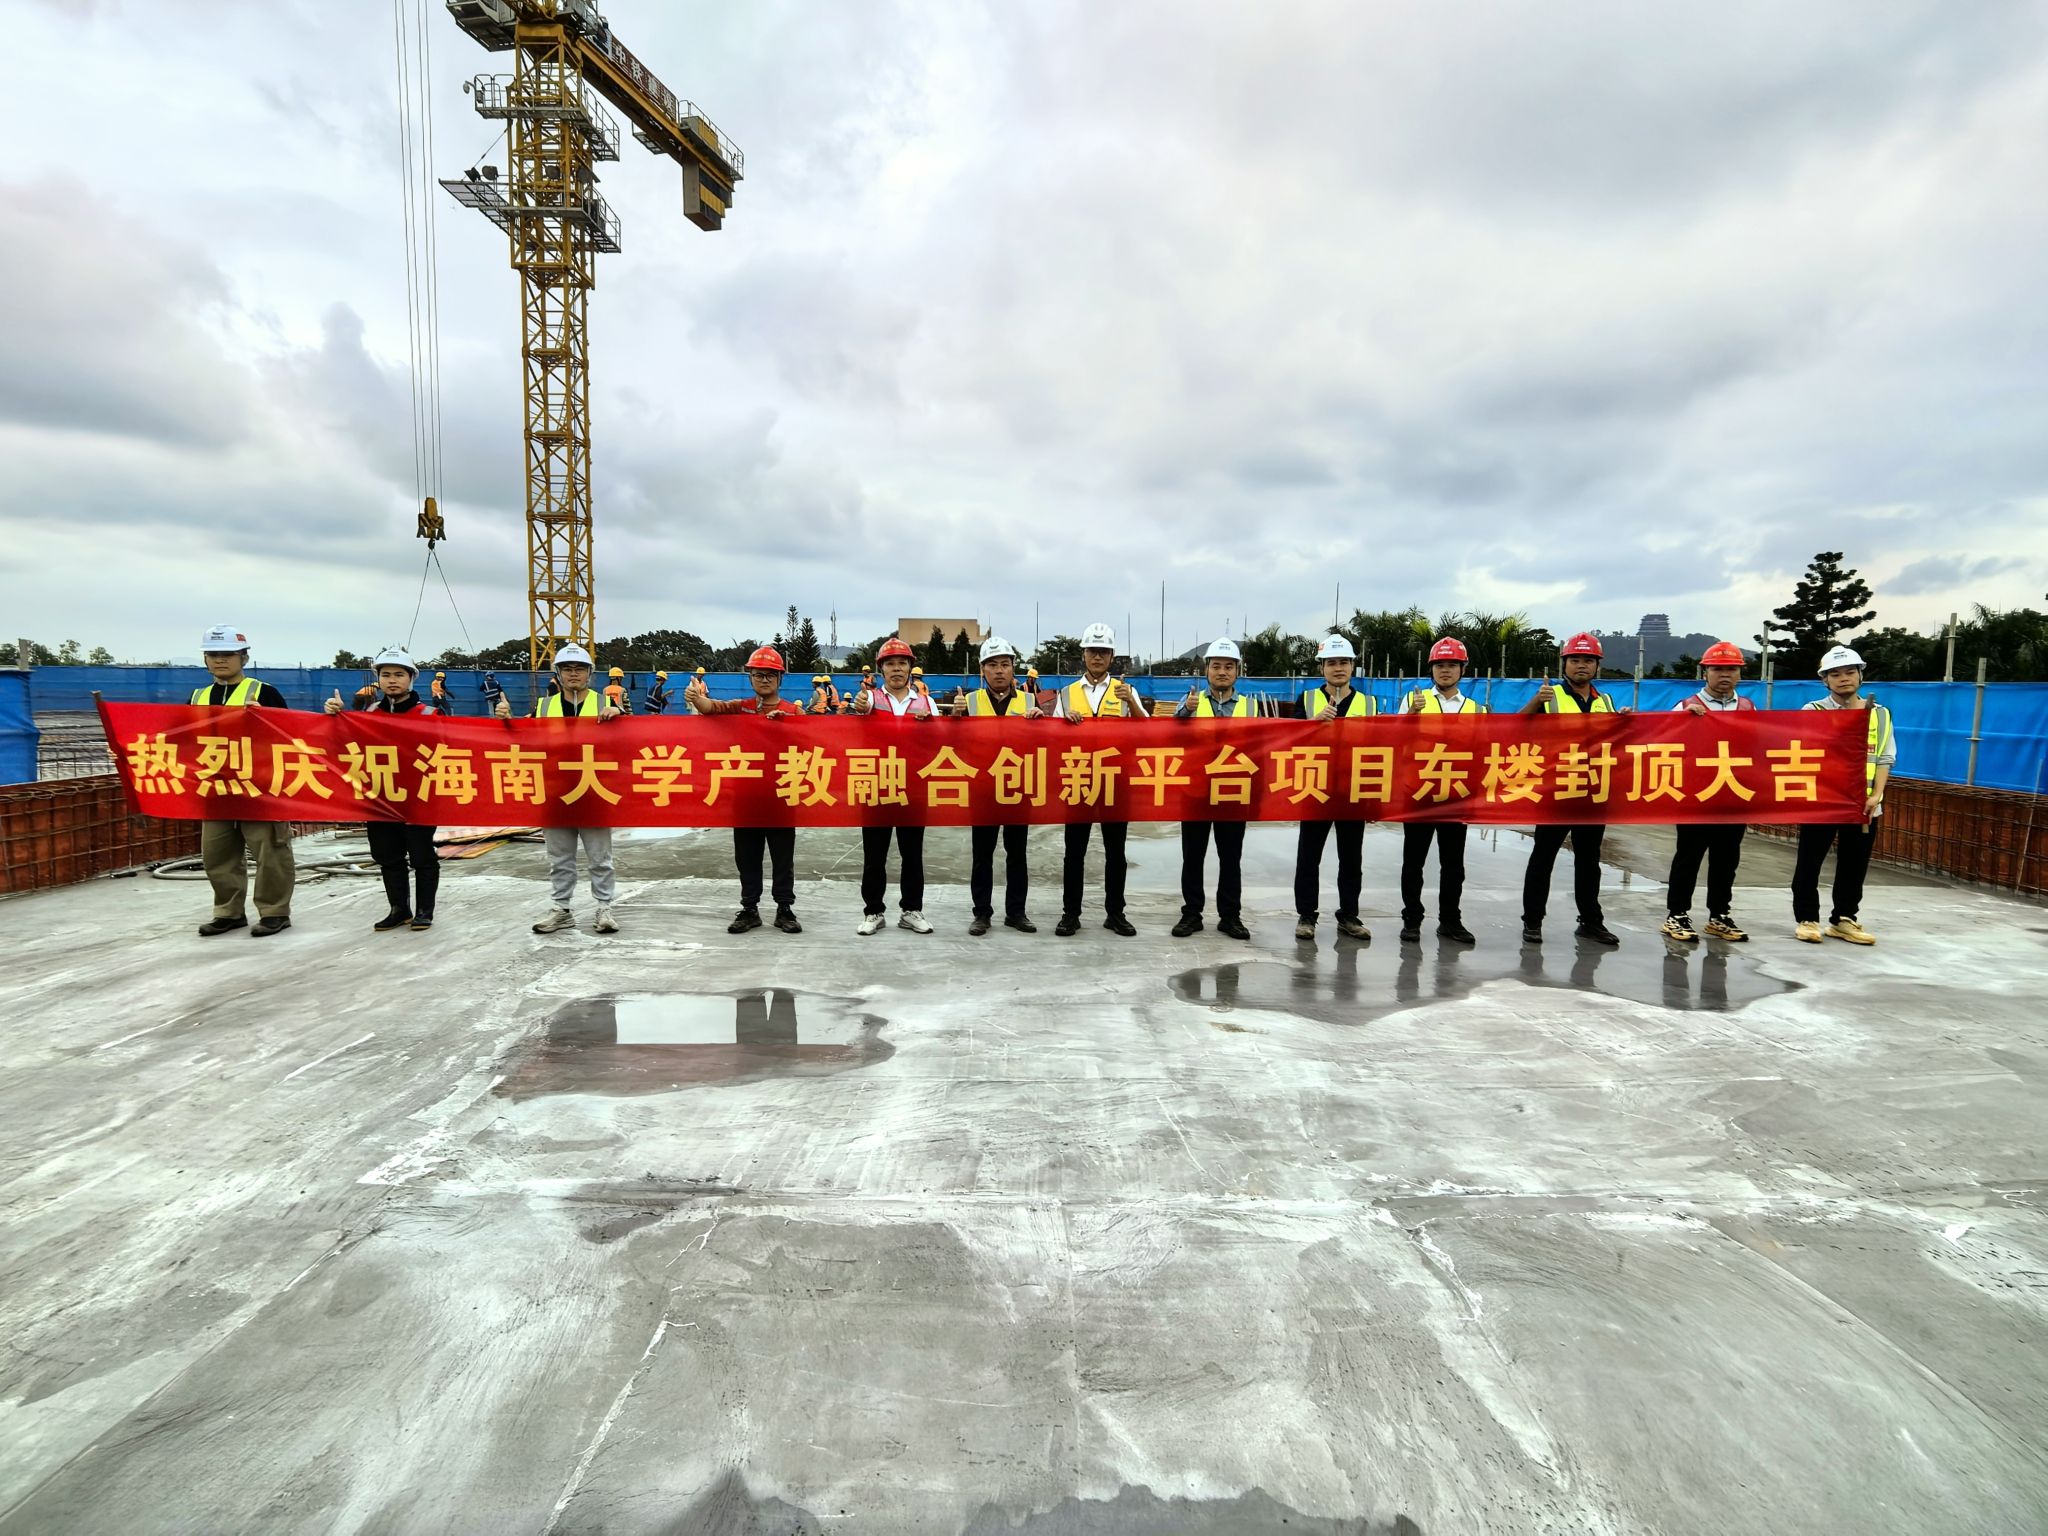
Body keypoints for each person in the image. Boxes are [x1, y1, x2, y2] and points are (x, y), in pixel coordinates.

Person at [496, 643, 623, 935]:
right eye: (567, 669)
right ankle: (561, 909)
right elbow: (523, 740)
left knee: (600, 859)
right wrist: (506, 720)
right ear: (558, 674)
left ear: (590, 674)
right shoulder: (543, 707)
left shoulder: (606, 703)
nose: (573, 674)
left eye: (579, 669)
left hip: (593, 791)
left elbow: (629, 740)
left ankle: (604, 908)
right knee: (560, 859)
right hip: (555, 793)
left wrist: (619, 715)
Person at [687, 645, 809, 935]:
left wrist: (788, 726)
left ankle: (784, 908)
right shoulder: (740, 707)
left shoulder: (793, 711)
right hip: (745, 797)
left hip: (780, 796)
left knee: (783, 858)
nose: (764, 679)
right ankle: (749, 908)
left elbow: (811, 743)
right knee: (747, 857)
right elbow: (710, 708)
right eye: (758, 674)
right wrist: (696, 698)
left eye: (770, 675)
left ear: (780, 678)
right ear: (750, 677)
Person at [327, 648, 443, 931]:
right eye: (386, 674)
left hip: (418, 799)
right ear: (378, 679)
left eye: (399, 674)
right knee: (388, 857)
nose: (392, 680)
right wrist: (335, 717)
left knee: (422, 856)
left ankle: (424, 911)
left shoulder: (430, 714)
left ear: (411, 678)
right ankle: (399, 910)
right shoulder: (368, 714)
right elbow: (345, 745)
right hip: (380, 798)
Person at [191, 624, 296, 938]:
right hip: (216, 788)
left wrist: (267, 718)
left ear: (244, 657)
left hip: (259, 787)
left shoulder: (264, 692)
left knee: (270, 852)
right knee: (217, 854)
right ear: (205, 659)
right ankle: (228, 912)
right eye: (213, 654)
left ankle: (275, 912)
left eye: (228, 654)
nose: (220, 660)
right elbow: (183, 741)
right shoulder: (197, 697)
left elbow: (290, 736)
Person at [1518, 632, 1621, 946]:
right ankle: (1533, 921)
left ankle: (1591, 921)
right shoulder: (1550, 696)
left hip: (1592, 791)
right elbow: (1516, 726)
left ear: (1597, 666)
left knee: (1589, 861)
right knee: (1543, 857)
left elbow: (1615, 740)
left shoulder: (1605, 701)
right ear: (1564, 664)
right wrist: (1536, 702)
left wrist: (1624, 720)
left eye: (1588, 660)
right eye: (1575, 659)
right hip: (1557, 790)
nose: (1581, 665)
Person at [1792, 644, 1895, 945]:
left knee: (1854, 863)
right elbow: (1802, 753)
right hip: (1823, 801)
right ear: (1824, 680)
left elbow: (1885, 757)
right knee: (1810, 861)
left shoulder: (1880, 714)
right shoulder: (1813, 711)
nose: (1844, 678)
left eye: (1850, 672)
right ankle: (1807, 919)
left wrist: (1876, 796)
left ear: (1861, 675)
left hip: (1863, 803)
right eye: (1835, 674)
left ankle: (1844, 919)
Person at [1054, 622, 1147, 937]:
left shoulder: (1125, 691)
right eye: (1092, 651)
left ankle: (1115, 913)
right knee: (1074, 853)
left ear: (1112, 656)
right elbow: (1051, 737)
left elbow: (1148, 731)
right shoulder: (1066, 694)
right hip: (1078, 779)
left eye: (1103, 652)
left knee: (1116, 853)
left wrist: (1131, 702)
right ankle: (1070, 914)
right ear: (1083, 654)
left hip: (1114, 781)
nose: (1097, 657)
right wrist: (1064, 723)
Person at [1661, 641, 1754, 943]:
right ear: (1705, 672)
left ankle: (1719, 915)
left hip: (1732, 795)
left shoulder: (1748, 708)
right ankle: (1676, 914)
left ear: (1740, 673)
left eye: (1731, 669)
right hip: (1696, 797)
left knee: (1727, 860)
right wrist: (1683, 723)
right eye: (1717, 669)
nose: (1725, 675)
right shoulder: (1686, 706)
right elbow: (1663, 741)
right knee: (1688, 857)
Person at [1399, 636, 1483, 945]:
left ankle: (1450, 920)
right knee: (1414, 863)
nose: (1445, 670)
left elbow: (1485, 749)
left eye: (1451, 665)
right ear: (1431, 669)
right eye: (1439, 665)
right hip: (1420, 793)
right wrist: (1412, 713)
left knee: (1453, 865)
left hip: (1456, 794)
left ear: (1462, 669)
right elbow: (1396, 740)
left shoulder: (1475, 709)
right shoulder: (1415, 700)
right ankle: (1412, 919)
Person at [849, 638, 935, 935]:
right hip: (877, 785)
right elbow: (857, 721)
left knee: (912, 854)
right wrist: (859, 707)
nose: (896, 668)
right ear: (881, 669)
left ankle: (911, 910)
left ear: (910, 668)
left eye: (902, 663)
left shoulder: (926, 703)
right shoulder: (870, 699)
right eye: (890, 664)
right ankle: (873, 911)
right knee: (874, 854)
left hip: (912, 787)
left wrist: (934, 724)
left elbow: (939, 742)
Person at [1293, 634, 1375, 942]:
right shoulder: (1306, 700)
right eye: (1331, 663)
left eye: (1343, 662)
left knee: (1351, 858)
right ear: (1322, 668)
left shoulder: (1369, 703)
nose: (1338, 668)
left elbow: (1378, 750)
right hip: (1315, 788)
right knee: (1308, 857)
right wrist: (1314, 723)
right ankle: (1306, 915)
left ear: (1353, 666)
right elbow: (1290, 742)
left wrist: (1373, 797)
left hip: (1352, 791)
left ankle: (1349, 915)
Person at [960, 636, 1043, 935]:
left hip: (1017, 787)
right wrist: (955, 717)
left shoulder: (1029, 702)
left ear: (1013, 669)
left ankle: (1016, 913)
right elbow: (956, 744)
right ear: (983, 670)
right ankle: (982, 913)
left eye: (1005, 665)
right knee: (982, 855)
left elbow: (1041, 743)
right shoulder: (970, 702)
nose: (999, 670)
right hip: (983, 789)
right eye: (992, 665)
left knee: (1017, 854)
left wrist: (1040, 722)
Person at [1172, 638, 1252, 940]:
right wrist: (1185, 711)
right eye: (1216, 666)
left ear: (1237, 671)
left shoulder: (1251, 706)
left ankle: (1230, 916)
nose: (1222, 672)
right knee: (1193, 857)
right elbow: (1169, 735)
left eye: (1228, 667)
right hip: (1196, 793)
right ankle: (1192, 914)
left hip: (1233, 792)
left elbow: (1266, 746)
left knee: (1231, 858)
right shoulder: (1191, 702)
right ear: (1206, 670)